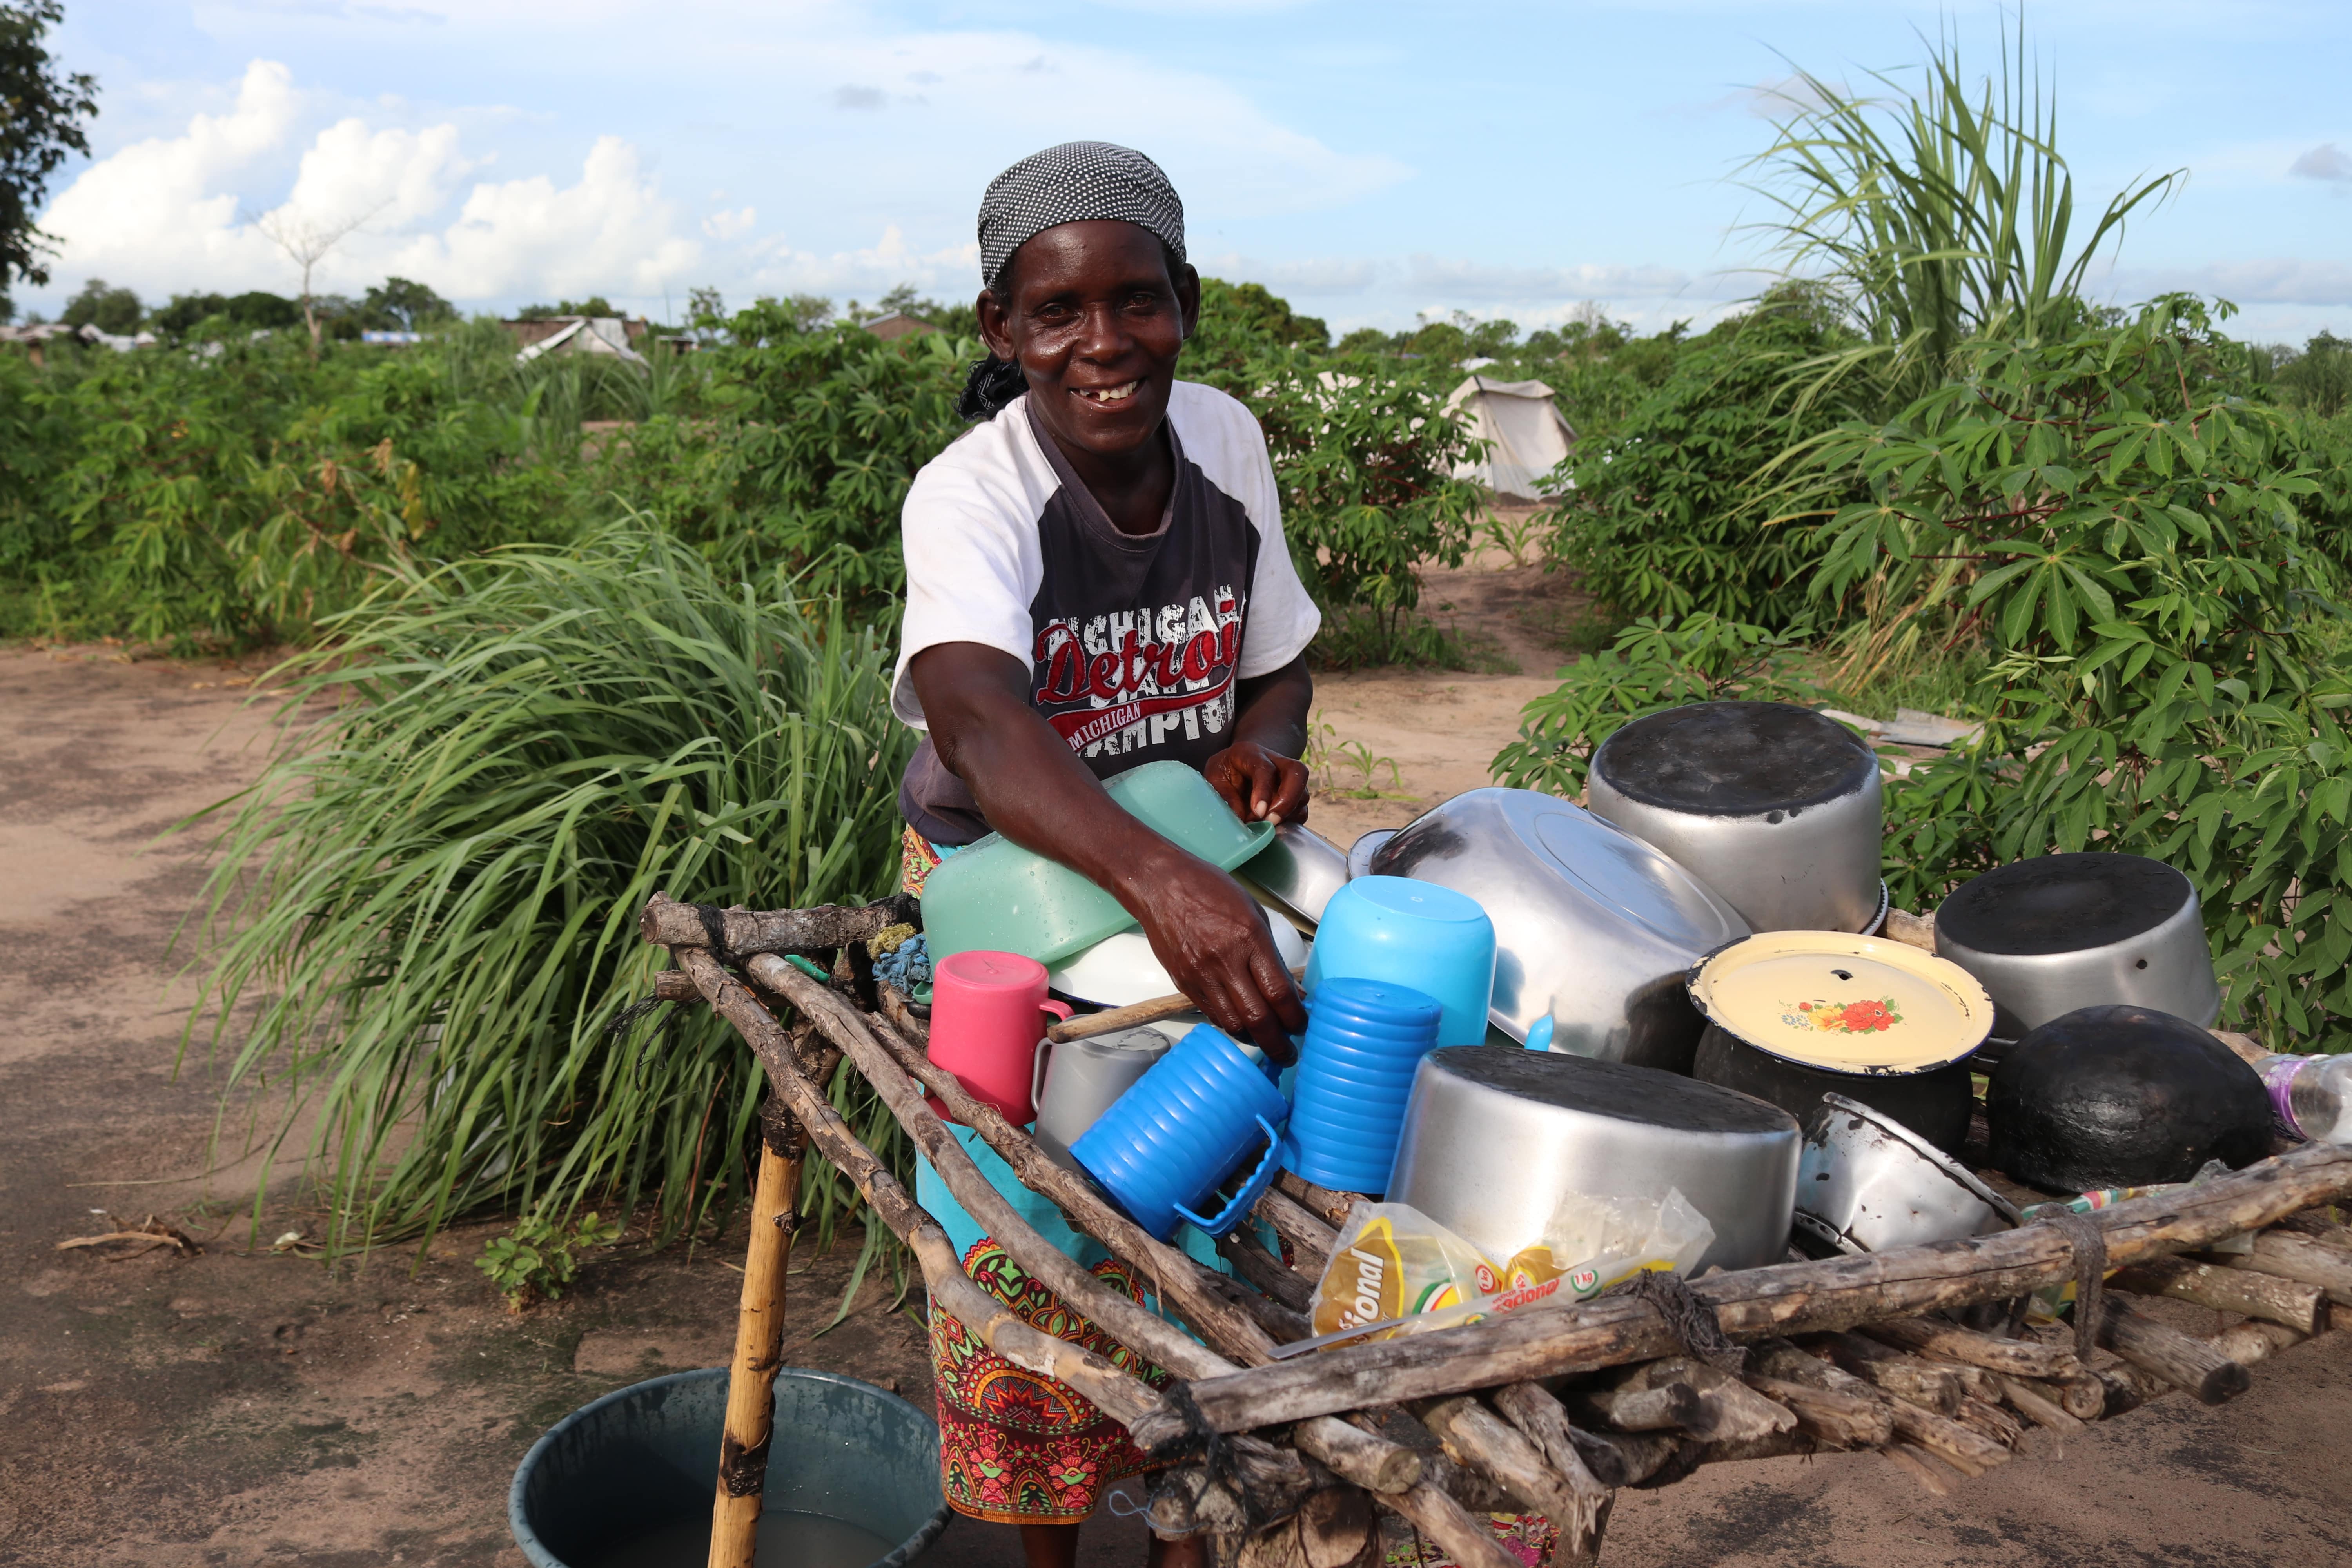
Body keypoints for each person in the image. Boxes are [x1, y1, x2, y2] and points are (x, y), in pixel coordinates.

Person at [892, 141, 1319, 1567]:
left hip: (1192, 871)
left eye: (1137, 301)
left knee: (1206, 1218)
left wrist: (1258, 740)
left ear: (1185, 302)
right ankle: (1051, 1548)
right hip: (1009, 890)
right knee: (1030, 1234)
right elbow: (981, 723)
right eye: (1059, 313)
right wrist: (1161, 880)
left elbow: (1280, 662)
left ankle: (1192, 1525)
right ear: (1001, 330)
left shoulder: (1228, 440)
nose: (1103, 345)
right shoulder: (974, 493)